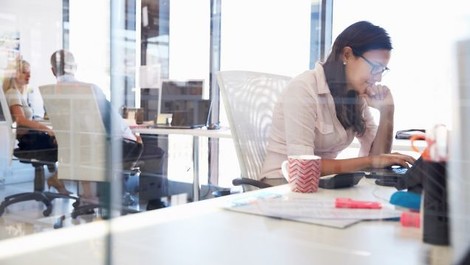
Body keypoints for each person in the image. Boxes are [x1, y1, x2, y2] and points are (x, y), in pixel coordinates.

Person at [260, 21, 416, 186]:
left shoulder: (354, 97)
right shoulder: (304, 88)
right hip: (280, 183)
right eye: (375, 67)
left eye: (382, 70)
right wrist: (370, 161)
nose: (377, 78)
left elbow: (378, 159)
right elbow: (303, 166)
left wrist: (387, 112)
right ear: (347, 55)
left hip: (320, 183)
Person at [49, 49, 166, 209]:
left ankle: (110, 193)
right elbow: (114, 124)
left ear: (52, 70)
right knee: (155, 152)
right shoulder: (90, 89)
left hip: (80, 151)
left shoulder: (53, 93)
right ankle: (153, 205)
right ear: (74, 67)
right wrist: (133, 136)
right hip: (104, 151)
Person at [2, 57, 72, 194]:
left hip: (29, 139)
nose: (29, 75)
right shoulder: (13, 93)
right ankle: (57, 179)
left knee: (59, 140)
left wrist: (40, 122)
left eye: (29, 72)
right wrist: (47, 129)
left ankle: (56, 180)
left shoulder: (16, 94)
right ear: (15, 74)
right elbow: (20, 120)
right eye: (24, 72)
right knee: (69, 143)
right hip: (30, 141)